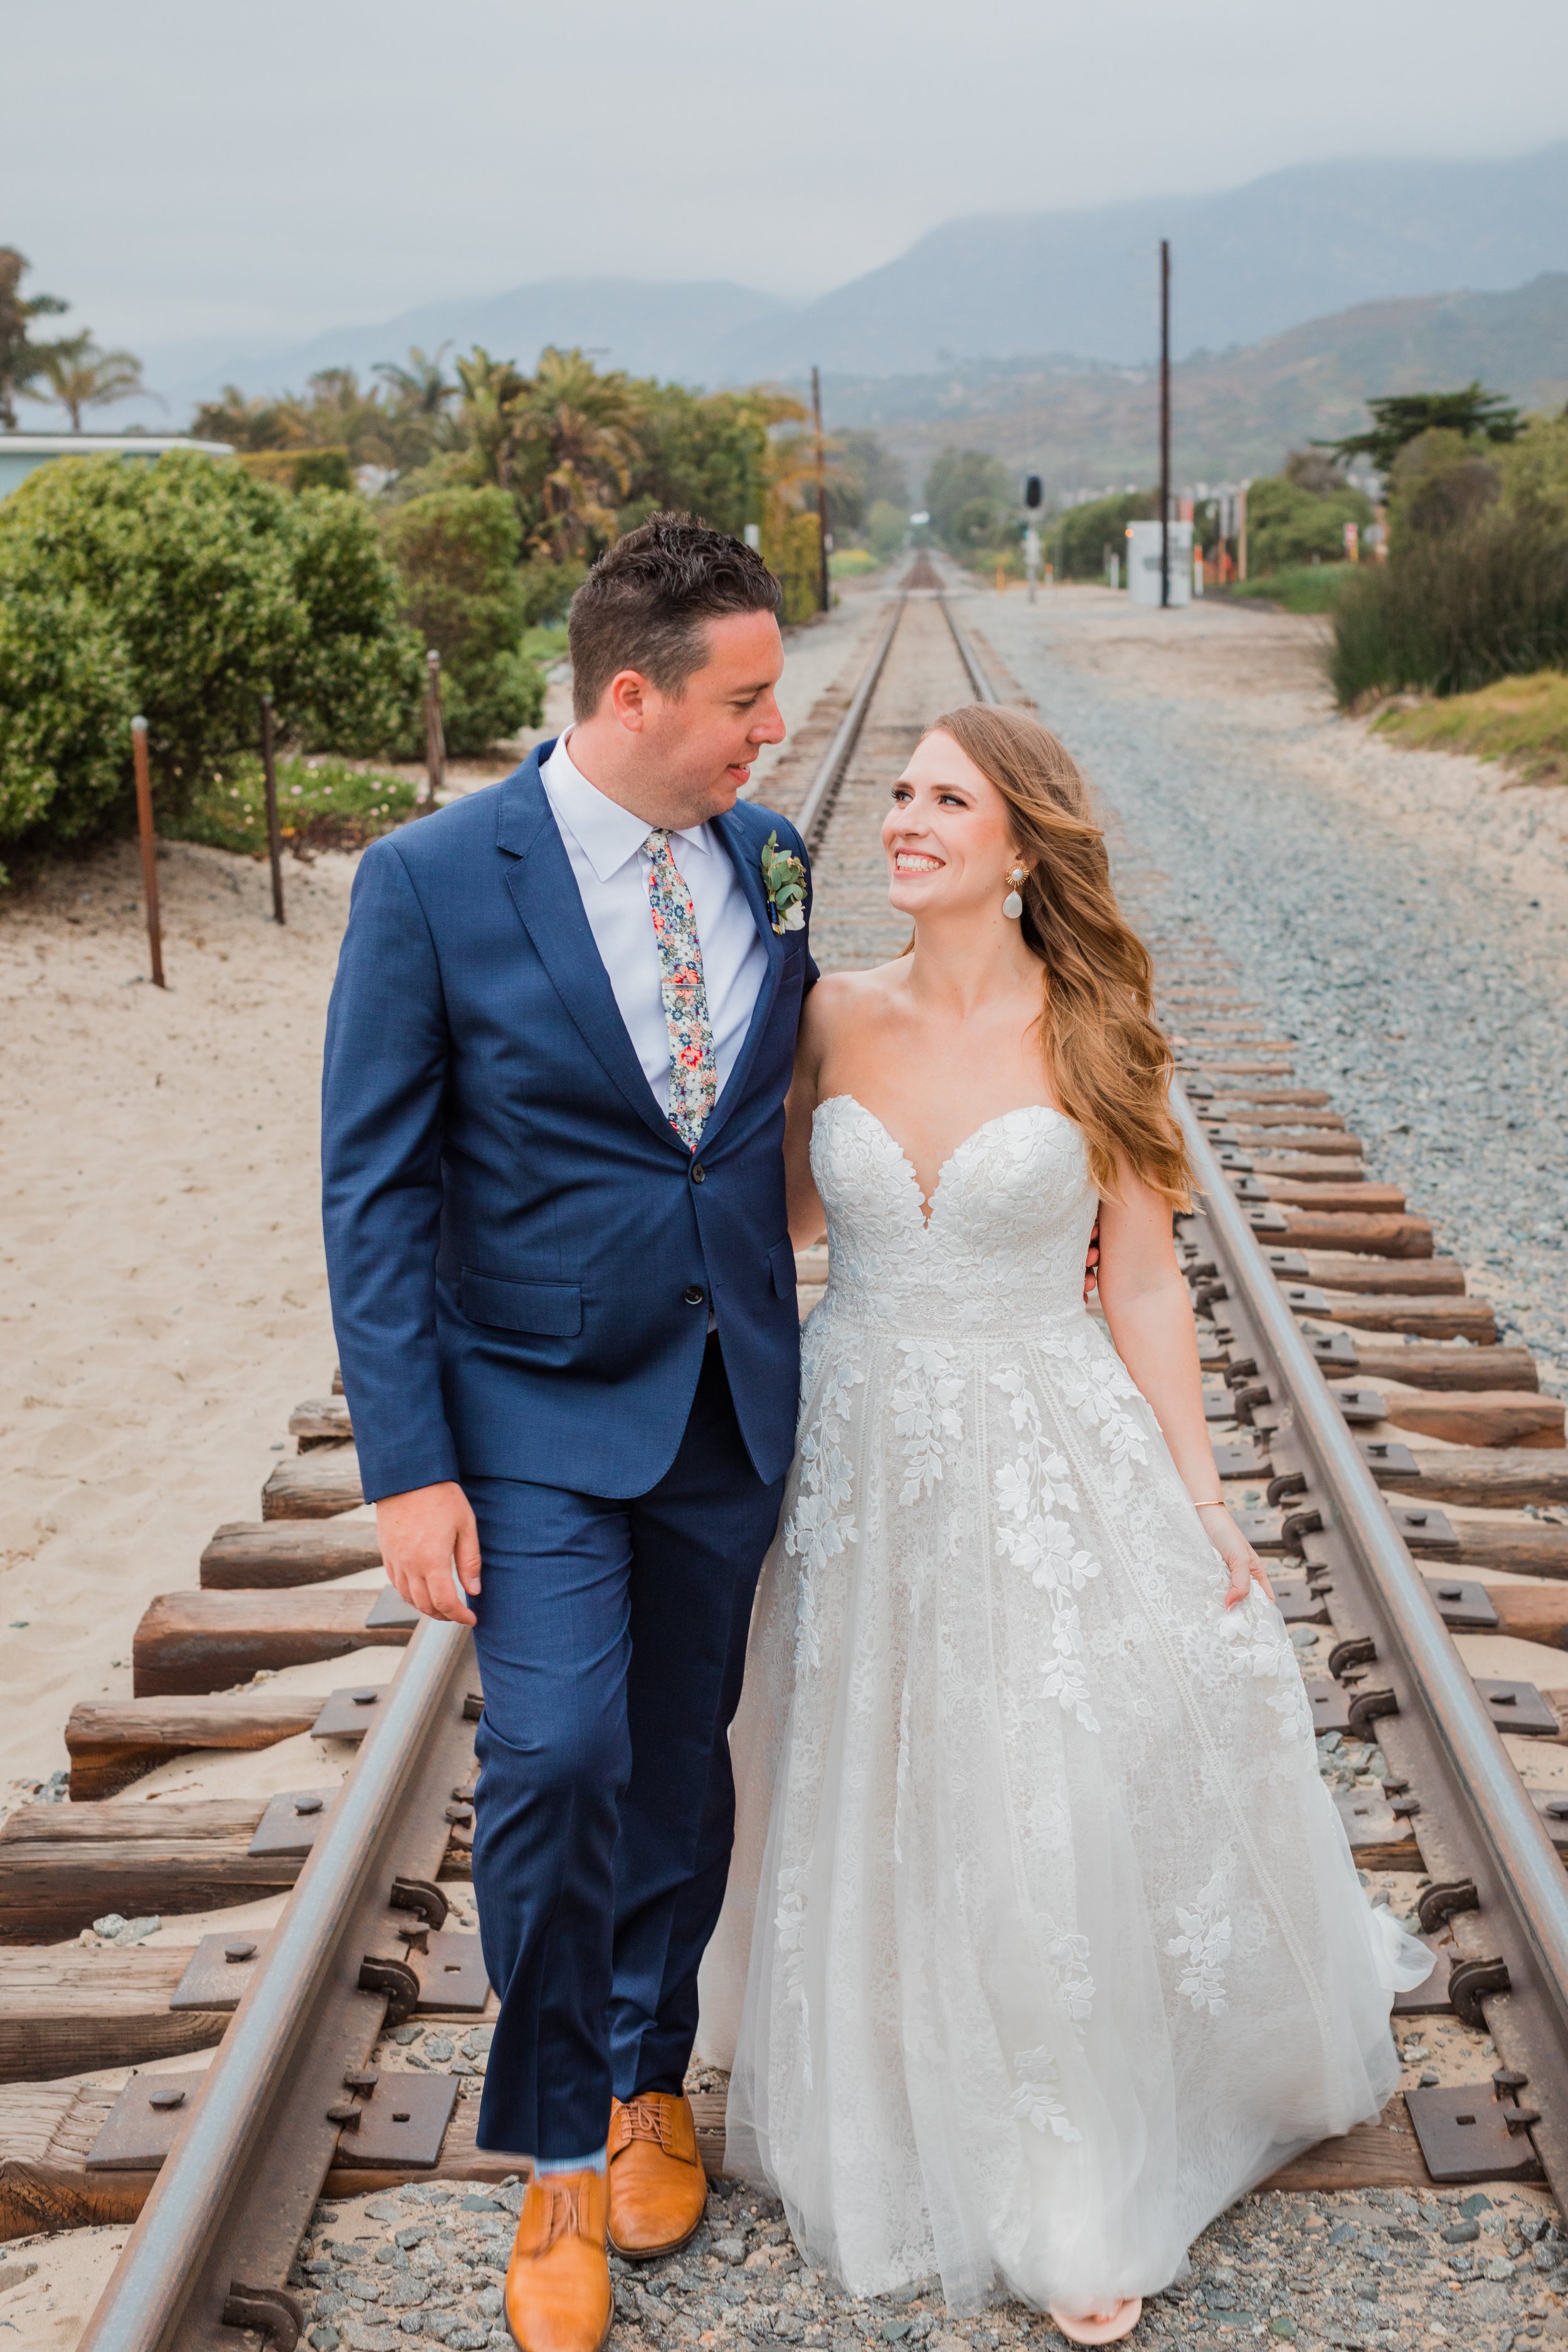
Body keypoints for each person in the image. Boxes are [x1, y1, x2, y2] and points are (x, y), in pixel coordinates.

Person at [698, 704, 1432, 2345]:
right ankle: (883, 2085)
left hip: (1042, 1438)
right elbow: (787, 1220)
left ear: (1020, 846)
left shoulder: (1102, 1032)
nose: (900, 818)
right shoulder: (827, 1013)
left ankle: (1067, 2173)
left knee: (1038, 1773)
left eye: (941, 798)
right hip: (856, 1442)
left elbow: (1150, 1282)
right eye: (894, 793)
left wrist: (1200, 1496)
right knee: (865, 1753)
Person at [322, 515, 817, 2352]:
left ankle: (642, 2080)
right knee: (555, 1756)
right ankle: (544, 2163)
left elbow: (761, 1118)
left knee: (679, 1762)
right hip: (525, 1404)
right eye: (745, 702)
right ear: (634, 693)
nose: (769, 734)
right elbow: (371, 1192)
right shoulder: (433, 879)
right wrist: (406, 1463)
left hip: (723, 1400)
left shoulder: (768, 859)